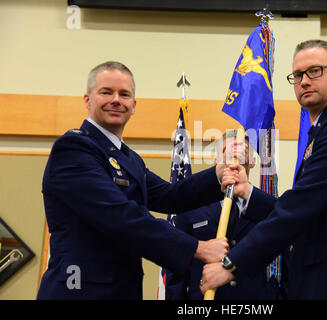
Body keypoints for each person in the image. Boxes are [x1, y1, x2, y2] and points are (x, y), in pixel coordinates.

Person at [201, 40, 327, 300]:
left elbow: (301, 206)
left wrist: (232, 264)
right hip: (319, 282)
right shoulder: (324, 129)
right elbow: (312, 212)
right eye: (298, 75)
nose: (304, 81)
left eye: (315, 71)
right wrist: (248, 193)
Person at [37, 61, 233, 300]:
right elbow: (120, 216)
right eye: (106, 92)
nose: (116, 100)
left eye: (124, 94)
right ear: (88, 100)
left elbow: (170, 196)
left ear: (133, 105)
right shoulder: (73, 150)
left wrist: (218, 174)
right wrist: (197, 248)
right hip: (78, 289)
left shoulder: (128, 158)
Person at [165, 130, 285, 300]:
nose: (234, 158)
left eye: (241, 152)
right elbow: (177, 270)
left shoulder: (269, 208)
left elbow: (285, 261)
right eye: (227, 153)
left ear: (252, 162)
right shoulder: (191, 208)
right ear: (216, 162)